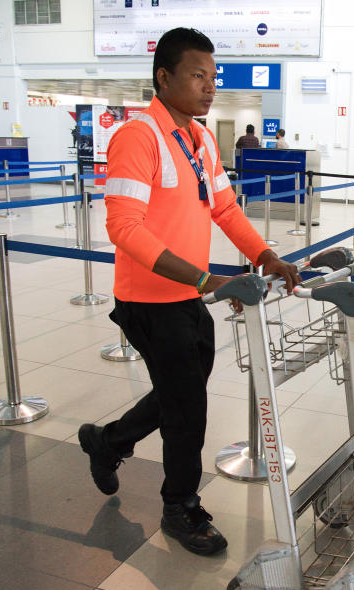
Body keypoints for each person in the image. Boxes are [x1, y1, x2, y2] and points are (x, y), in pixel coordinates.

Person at [78, 27, 301, 556]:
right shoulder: (138, 137)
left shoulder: (198, 138)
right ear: (164, 77)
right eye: (198, 76)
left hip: (187, 297)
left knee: (180, 394)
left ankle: (107, 442)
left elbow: (222, 207)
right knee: (188, 409)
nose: (209, 87)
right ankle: (180, 507)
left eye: (213, 77)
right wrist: (205, 279)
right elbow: (125, 227)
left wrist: (263, 254)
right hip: (151, 301)